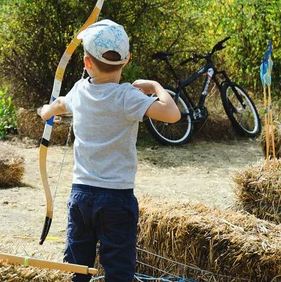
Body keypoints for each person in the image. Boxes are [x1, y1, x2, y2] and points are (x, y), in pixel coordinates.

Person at [39, 19, 180, 282]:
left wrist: (45, 111)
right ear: (126, 60)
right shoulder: (128, 96)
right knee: (118, 270)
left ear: (86, 63)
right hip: (117, 199)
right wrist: (155, 87)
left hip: (81, 196)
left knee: (77, 266)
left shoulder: (80, 90)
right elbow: (172, 114)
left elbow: (59, 103)